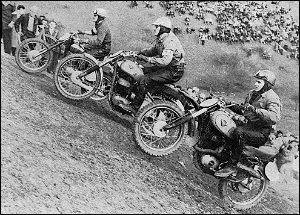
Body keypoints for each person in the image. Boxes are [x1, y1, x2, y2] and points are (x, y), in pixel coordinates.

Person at [214, 70, 282, 177]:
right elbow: (243, 109)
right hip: (248, 127)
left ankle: (232, 165)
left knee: (239, 132)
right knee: (227, 127)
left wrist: (255, 110)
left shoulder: (272, 98)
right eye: (256, 81)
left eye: (259, 82)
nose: (255, 84)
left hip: (261, 132)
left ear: (267, 84)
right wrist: (227, 103)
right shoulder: (252, 94)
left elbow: (274, 117)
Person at [134, 16, 185, 109]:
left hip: (174, 71)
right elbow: (154, 50)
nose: (154, 28)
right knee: (140, 70)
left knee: (145, 79)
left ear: (163, 28)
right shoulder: (162, 37)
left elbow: (165, 61)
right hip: (168, 67)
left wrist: (147, 59)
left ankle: (135, 106)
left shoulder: (169, 41)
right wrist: (141, 52)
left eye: (157, 26)